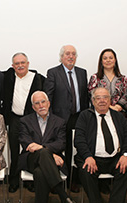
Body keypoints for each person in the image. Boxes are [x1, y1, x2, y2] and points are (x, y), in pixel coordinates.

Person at [19, 91, 80, 203]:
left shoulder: (59, 122)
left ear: (49, 103)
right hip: (30, 160)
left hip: (45, 165)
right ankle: (63, 196)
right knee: (43, 156)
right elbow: (26, 142)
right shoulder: (25, 121)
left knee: (41, 173)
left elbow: (61, 143)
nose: (41, 105)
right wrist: (49, 153)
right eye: (37, 103)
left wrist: (42, 149)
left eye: (43, 102)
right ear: (33, 107)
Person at [75, 87, 127, 203]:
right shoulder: (85, 116)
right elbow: (79, 139)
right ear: (93, 101)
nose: (102, 101)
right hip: (92, 158)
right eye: (98, 98)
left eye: (105, 97)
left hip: (115, 158)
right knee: (86, 171)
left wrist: (125, 155)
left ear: (110, 100)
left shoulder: (118, 116)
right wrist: (88, 156)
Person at [43, 45, 89, 193]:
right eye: (67, 54)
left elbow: (85, 96)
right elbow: (47, 97)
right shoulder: (53, 72)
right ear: (61, 57)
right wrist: (49, 119)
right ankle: (62, 180)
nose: (71, 56)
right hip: (60, 119)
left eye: (73, 54)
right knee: (65, 149)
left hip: (79, 117)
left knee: (80, 148)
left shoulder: (82, 72)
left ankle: (75, 180)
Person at [2, 53, 46, 193]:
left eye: (23, 62)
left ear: (28, 63)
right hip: (15, 119)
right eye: (17, 63)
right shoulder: (8, 76)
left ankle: (31, 181)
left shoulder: (38, 78)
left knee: (31, 150)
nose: (20, 65)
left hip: (32, 119)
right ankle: (14, 180)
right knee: (14, 151)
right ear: (12, 66)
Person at [88, 48, 127, 117]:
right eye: (105, 58)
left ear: (115, 60)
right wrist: (108, 107)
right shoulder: (95, 78)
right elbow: (92, 96)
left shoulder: (122, 79)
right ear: (101, 61)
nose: (108, 60)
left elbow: (126, 95)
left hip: (119, 114)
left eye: (111, 58)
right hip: (100, 114)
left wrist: (118, 106)